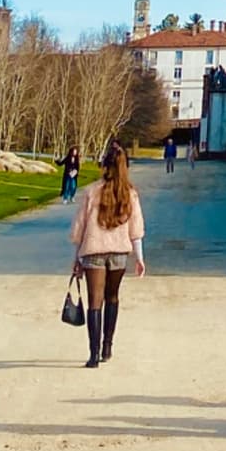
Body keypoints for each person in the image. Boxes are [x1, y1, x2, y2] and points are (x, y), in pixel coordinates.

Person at [68, 141, 146, 369]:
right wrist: (139, 257)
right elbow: (136, 229)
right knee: (113, 297)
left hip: (93, 250)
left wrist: (76, 257)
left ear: (105, 165)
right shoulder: (130, 194)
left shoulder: (92, 192)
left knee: (95, 301)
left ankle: (93, 355)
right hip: (119, 252)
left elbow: (79, 228)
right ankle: (107, 346)